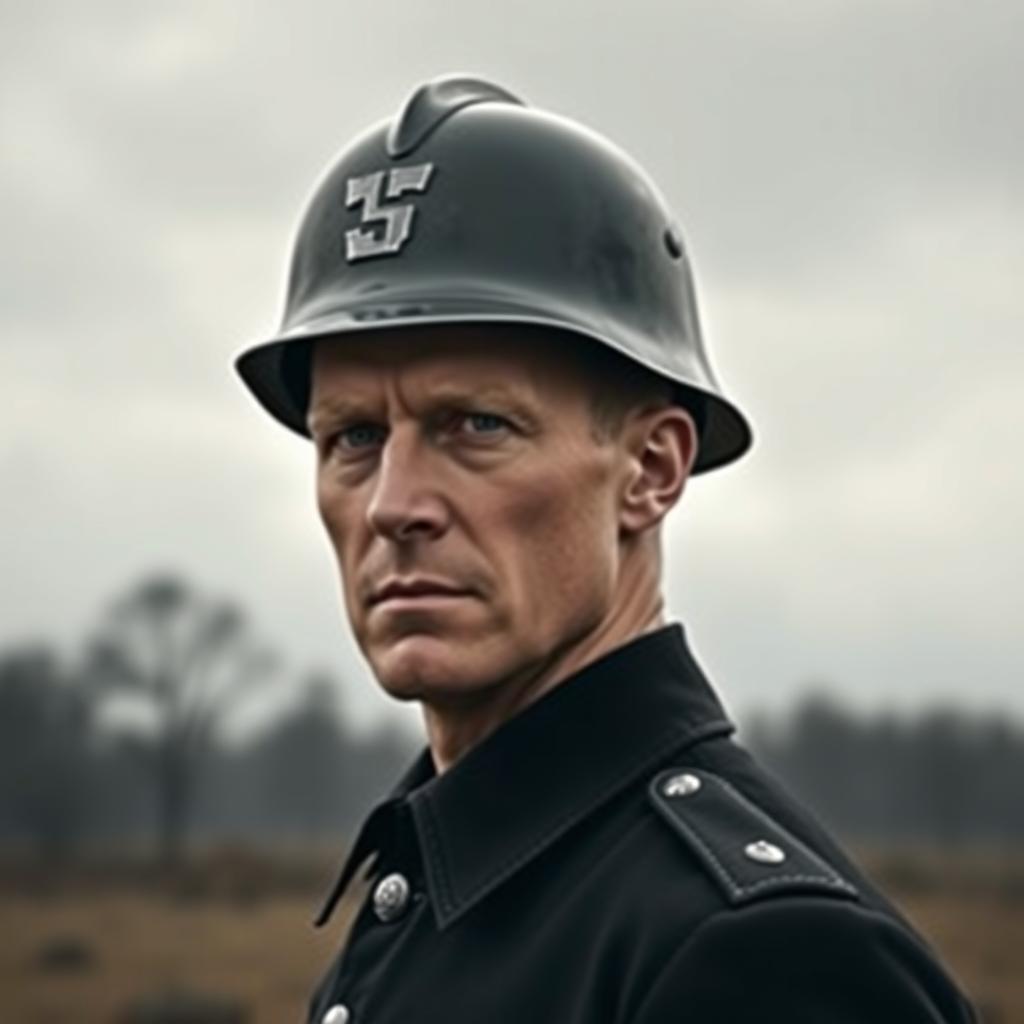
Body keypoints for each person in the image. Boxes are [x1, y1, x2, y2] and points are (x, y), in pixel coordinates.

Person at [234, 74, 977, 1024]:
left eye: (476, 424)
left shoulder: (763, 959)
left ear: (652, 470)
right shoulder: (444, 891)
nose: (393, 505)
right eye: (353, 437)